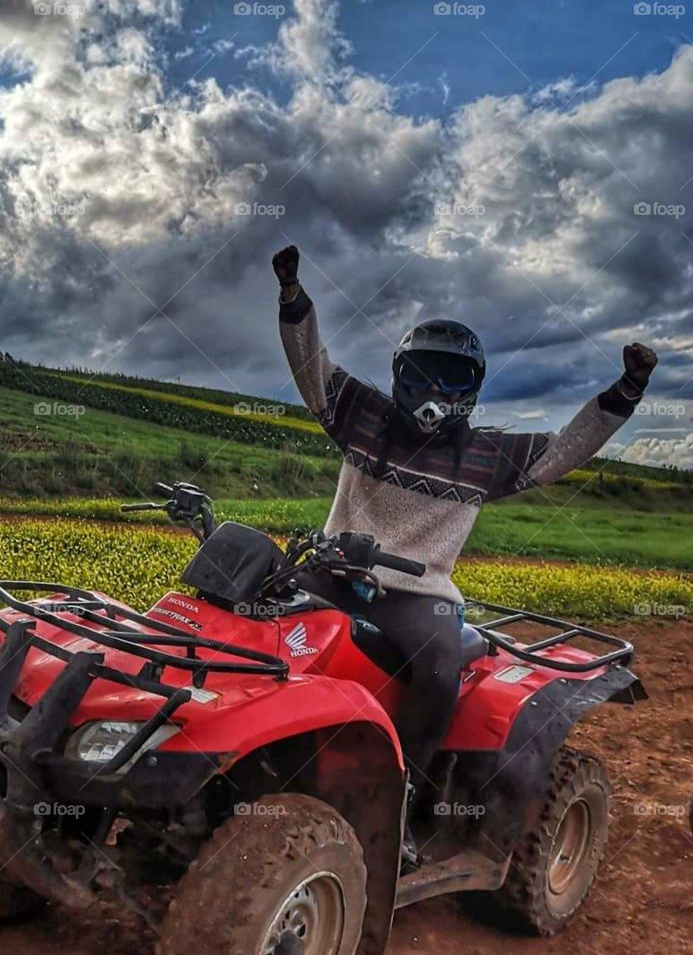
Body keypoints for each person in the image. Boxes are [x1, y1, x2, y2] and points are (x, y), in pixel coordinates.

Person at [272, 243, 658, 822]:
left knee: (435, 671)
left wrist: (624, 392)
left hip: (419, 596)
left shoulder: (484, 455)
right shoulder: (361, 414)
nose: (434, 393)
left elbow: (563, 450)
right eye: (425, 376)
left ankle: (404, 798)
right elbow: (312, 368)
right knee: (254, 616)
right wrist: (293, 298)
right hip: (332, 569)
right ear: (402, 376)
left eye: (450, 380)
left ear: (470, 390)